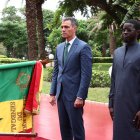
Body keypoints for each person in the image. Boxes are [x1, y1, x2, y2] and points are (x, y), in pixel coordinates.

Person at [49, 17, 92, 140]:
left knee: (77, 129)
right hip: (61, 94)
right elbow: (56, 72)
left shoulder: (83, 47)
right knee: (64, 128)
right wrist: (52, 93)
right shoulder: (59, 47)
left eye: (66, 27)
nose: (63, 29)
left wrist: (80, 96)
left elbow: (86, 74)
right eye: (62, 27)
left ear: (74, 28)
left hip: (74, 96)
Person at [108, 19, 140, 140]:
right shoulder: (117, 53)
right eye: (123, 30)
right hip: (119, 106)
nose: (125, 32)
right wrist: (111, 104)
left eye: (129, 30)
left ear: (138, 32)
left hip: (135, 106)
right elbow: (114, 80)